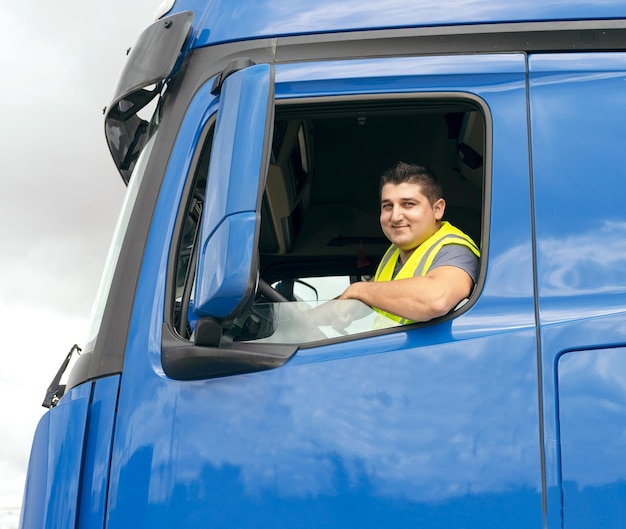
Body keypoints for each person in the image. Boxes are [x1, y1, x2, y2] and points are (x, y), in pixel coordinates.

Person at [333, 161, 480, 326]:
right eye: (388, 206)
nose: (395, 216)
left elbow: (437, 299)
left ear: (438, 209)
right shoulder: (394, 255)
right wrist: (307, 318)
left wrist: (359, 289)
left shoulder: (454, 250)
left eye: (408, 204)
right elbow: (363, 299)